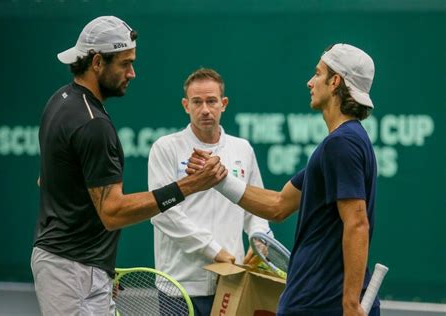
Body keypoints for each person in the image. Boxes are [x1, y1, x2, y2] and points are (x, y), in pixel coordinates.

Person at [31, 16, 226, 316]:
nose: (132, 73)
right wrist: (190, 185)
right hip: (73, 271)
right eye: (125, 64)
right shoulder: (93, 124)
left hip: (75, 265)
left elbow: (47, 181)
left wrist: (100, 268)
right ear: (97, 62)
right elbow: (113, 213)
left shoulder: (60, 101)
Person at [188, 44, 380, 316]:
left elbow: (357, 223)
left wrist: (349, 302)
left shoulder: (342, 144)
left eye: (318, 73)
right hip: (314, 297)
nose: (310, 82)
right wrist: (219, 179)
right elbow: (278, 204)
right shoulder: (340, 143)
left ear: (335, 82)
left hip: (323, 302)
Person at [148, 68, 272, 315]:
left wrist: (259, 236)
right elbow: (164, 213)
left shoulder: (242, 149)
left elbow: (257, 205)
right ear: (186, 105)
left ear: (223, 104)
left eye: (211, 101)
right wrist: (215, 251)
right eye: (197, 102)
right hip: (179, 286)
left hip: (230, 282)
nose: (205, 109)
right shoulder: (165, 148)